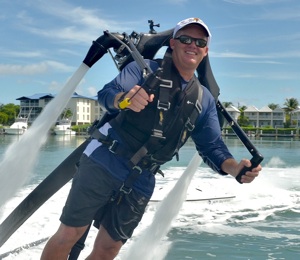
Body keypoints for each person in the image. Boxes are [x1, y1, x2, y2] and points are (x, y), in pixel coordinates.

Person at [41, 17, 262, 260]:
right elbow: (107, 94)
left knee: (108, 249)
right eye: (185, 39)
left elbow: (212, 146)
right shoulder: (144, 69)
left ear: (206, 51)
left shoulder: (204, 99)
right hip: (105, 159)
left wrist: (235, 169)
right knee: (70, 234)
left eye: (200, 42)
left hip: (143, 178)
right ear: (173, 43)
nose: (193, 45)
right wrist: (125, 99)